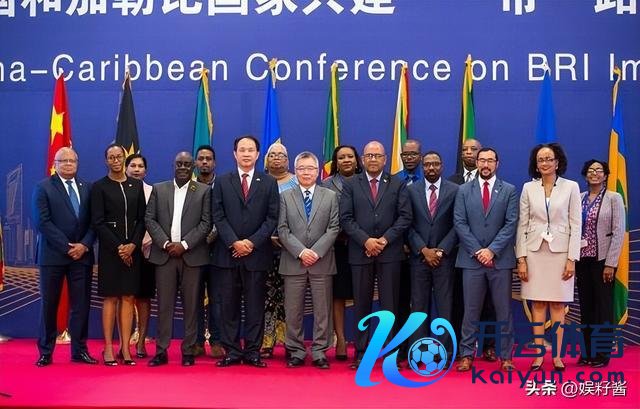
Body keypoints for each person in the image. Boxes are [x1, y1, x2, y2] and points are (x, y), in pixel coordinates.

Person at [339, 141, 412, 369]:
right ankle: (362, 352)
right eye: (369, 155)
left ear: (385, 159)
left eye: (377, 155)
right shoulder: (351, 184)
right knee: (361, 305)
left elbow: (405, 217)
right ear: (362, 159)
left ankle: (390, 353)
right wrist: (366, 240)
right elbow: (346, 218)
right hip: (360, 252)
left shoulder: (397, 184)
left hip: (390, 253)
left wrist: (384, 240)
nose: (373, 159)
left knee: (389, 306)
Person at [212, 135, 279, 368]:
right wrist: (234, 242)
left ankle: (252, 352)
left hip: (256, 255)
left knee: (255, 306)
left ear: (258, 154)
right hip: (227, 255)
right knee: (228, 306)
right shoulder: (222, 181)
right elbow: (218, 216)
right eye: (242, 150)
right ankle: (231, 351)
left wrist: (251, 243)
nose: (247, 154)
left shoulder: (268, 182)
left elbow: (272, 218)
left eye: (251, 150)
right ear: (234, 154)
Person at [516, 143, 581, 372]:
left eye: (549, 159)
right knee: (538, 303)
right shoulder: (528, 188)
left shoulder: (571, 187)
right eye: (540, 159)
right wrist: (521, 258)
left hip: (561, 253)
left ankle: (558, 356)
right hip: (534, 252)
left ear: (557, 162)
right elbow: (522, 224)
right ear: (536, 165)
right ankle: (538, 355)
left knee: (557, 304)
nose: (545, 163)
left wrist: (572, 258)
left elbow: (576, 224)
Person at [145, 151, 211, 367]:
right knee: (164, 306)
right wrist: (165, 244)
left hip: (192, 255)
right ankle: (161, 351)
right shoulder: (159, 189)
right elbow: (150, 219)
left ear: (193, 167)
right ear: (173, 165)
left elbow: (206, 223)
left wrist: (184, 245)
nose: (183, 167)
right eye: (179, 164)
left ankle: (188, 351)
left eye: (187, 164)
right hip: (164, 255)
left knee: (192, 307)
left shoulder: (203, 191)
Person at [32, 147, 97, 367]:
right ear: (55, 164)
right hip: (53, 256)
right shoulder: (43, 187)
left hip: (82, 256)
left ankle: (79, 350)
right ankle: (46, 351)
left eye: (72, 160)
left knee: (81, 306)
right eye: (63, 160)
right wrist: (67, 247)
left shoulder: (88, 188)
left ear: (77, 163)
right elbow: (42, 222)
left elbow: (95, 221)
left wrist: (84, 245)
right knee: (49, 305)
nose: (68, 164)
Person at [454, 147, 517, 373]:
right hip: (471, 260)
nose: (486, 164)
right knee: (470, 311)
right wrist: (478, 251)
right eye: (482, 160)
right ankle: (466, 355)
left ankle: (506, 356)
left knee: (503, 311)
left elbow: (511, 223)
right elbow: (459, 222)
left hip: (500, 261)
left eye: (490, 160)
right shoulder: (463, 190)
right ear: (477, 163)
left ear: (497, 164)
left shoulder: (509, 190)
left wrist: (491, 250)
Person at [278, 152, 339, 369]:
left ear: (318, 171)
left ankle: (320, 351)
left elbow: (334, 228)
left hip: (322, 262)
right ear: (295, 171)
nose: (306, 172)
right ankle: (296, 351)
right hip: (294, 261)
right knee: (293, 311)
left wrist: (315, 252)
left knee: (322, 311)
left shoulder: (330, 196)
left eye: (310, 168)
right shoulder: (285, 196)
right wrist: (302, 252)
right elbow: (282, 229)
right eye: (301, 168)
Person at [91, 144, 146, 366]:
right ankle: (108, 347)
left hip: (133, 251)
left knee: (128, 297)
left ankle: (125, 348)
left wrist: (132, 245)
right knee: (111, 297)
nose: (115, 160)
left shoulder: (136, 185)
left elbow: (142, 219)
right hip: (110, 252)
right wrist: (119, 248)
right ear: (106, 160)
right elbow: (98, 222)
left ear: (124, 158)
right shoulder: (99, 187)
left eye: (119, 157)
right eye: (111, 157)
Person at [448, 138, 497, 362]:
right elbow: (454, 220)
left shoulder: (496, 184)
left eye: (473, 149)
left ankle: (488, 345)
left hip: (490, 254)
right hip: (460, 253)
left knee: (489, 303)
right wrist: (473, 248)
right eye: (465, 149)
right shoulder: (452, 182)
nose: (468, 152)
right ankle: (462, 347)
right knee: (461, 302)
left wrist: (487, 250)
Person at [406, 151, 458, 357]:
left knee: (445, 307)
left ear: (442, 166)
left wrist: (441, 250)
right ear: (422, 167)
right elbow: (407, 224)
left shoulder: (455, 190)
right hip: (419, 258)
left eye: (435, 164)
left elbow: (458, 224)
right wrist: (423, 250)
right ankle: (419, 352)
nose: (431, 168)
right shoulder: (411, 191)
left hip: (445, 259)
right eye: (427, 164)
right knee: (418, 308)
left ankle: (445, 352)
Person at [575, 159, 625, 368]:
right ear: (585, 174)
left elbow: (619, 231)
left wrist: (611, 264)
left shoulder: (614, 198)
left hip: (603, 261)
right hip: (582, 261)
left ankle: (602, 354)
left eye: (599, 170)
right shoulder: (579, 198)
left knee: (603, 308)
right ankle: (587, 352)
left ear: (605, 175)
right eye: (590, 170)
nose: (594, 173)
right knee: (586, 308)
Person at [323, 145, 362, 360]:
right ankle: (340, 339)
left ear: (357, 160)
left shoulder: (366, 181)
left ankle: (362, 339)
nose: (346, 160)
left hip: (362, 245)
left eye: (350, 156)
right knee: (338, 294)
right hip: (337, 246)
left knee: (362, 294)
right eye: (341, 157)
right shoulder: (326, 184)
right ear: (335, 162)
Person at [261, 142, 297, 359]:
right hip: (263, 248)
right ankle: (266, 340)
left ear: (287, 160)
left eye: (281, 155)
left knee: (290, 297)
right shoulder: (260, 182)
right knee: (266, 297)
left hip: (291, 250)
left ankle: (290, 342)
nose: (276, 158)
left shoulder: (297, 182)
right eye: (272, 154)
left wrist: (286, 239)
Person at [192, 144, 225, 359]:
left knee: (218, 299)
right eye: (201, 158)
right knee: (194, 298)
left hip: (218, 251)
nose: (204, 162)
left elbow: (225, 216)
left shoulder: (223, 185)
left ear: (214, 163)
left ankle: (216, 341)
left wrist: (210, 237)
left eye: (208, 159)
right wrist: (196, 240)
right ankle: (196, 342)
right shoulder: (188, 187)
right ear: (196, 162)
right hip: (193, 251)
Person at [124, 153, 154, 358]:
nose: (136, 169)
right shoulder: (118, 189)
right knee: (123, 299)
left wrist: (140, 243)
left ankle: (141, 342)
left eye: (140, 166)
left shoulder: (153, 192)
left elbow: (156, 221)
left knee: (143, 298)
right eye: (132, 165)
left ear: (145, 170)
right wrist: (125, 247)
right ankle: (124, 343)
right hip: (123, 252)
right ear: (125, 168)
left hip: (146, 252)